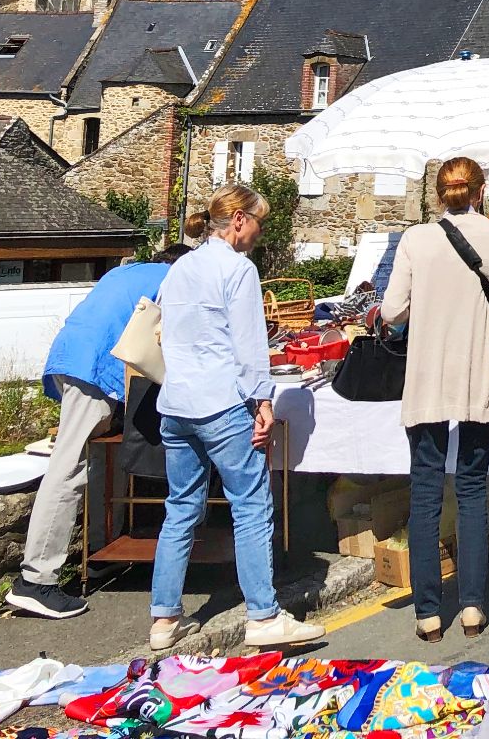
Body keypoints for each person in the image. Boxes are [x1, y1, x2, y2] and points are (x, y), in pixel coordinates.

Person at [151, 185, 323, 650]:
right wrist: (263, 402)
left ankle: (164, 617)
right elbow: (249, 346)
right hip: (220, 399)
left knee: (181, 508)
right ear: (240, 221)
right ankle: (263, 615)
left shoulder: (180, 267)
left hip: (175, 401)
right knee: (251, 505)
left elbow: (164, 330)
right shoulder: (239, 270)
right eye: (259, 222)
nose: (260, 233)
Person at [6, 226, 200, 621]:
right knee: (69, 466)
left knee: (96, 458)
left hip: (71, 359)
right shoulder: (172, 281)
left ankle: (99, 550)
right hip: (93, 368)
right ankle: (35, 580)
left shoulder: (126, 272)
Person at [380, 157, 489, 642]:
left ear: (438, 194)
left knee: (424, 492)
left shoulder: (415, 239)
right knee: (470, 489)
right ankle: (471, 606)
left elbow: (393, 311)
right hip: (476, 374)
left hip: (427, 376)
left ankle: (428, 612)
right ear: (480, 191)